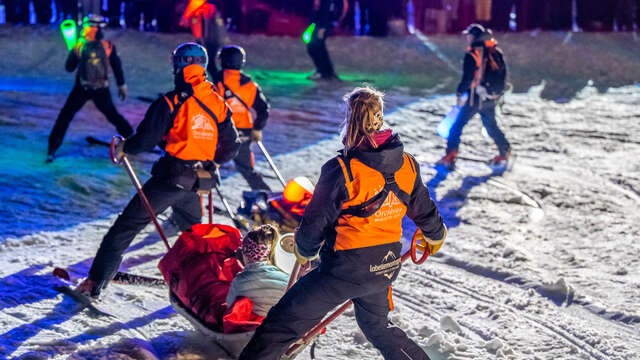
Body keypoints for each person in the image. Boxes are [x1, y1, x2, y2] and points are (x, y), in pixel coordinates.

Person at [239, 87, 447, 360]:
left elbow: (315, 222)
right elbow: (423, 208)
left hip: (344, 271)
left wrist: (305, 248)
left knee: (281, 325)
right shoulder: (407, 164)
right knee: (378, 327)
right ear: (380, 117)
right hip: (384, 265)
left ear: (351, 119)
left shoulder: (343, 169)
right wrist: (435, 234)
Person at [76, 42, 241, 297]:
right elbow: (231, 146)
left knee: (124, 228)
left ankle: (93, 284)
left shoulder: (171, 101)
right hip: (202, 182)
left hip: (172, 178)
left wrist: (124, 148)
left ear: (178, 66)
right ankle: (199, 286)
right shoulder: (217, 102)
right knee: (192, 235)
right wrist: (210, 159)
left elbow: (144, 141)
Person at [47, 14, 133, 163]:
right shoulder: (107, 45)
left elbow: (69, 68)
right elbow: (116, 66)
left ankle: (52, 148)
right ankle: (131, 139)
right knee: (112, 115)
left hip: (82, 88)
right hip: (100, 89)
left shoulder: (80, 45)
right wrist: (121, 85)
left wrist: (73, 51)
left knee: (65, 116)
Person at [436, 23, 510, 169]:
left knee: (456, 126)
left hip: (474, 98)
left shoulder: (473, 54)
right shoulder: (495, 51)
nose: (467, 38)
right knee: (490, 126)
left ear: (474, 36)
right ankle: (505, 151)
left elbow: (468, 78)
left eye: (469, 35)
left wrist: (460, 91)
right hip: (489, 97)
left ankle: (450, 155)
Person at [213, 45, 271, 191]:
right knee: (246, 168)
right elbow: (263, 109)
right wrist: (257, 128)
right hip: (244, 131)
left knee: (208, 165)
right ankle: (265, 195)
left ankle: (194, 201)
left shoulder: (217, 81)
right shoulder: (250, 85)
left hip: (221, 131)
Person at [226, 224, 289, 317]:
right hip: (279, 326)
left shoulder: (239, 282)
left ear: (244, 253)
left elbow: (229, 306)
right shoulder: (287, 278)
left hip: (250, 329)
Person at [181, 0, 227, 76]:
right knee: (205, 63)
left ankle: (218, 81)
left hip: (211, 41)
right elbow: (188, 24)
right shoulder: (197, 10)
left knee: (209, 63)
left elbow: (216, 25)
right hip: (205, 40)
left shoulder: (209, 8)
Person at [307, 0, 348, 80]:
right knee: (315, 46)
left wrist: (324, 26)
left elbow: (328, 9)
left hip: (324, 24)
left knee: (316, 46)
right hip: (320, 23)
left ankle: (324, 72)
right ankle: (325, 71)